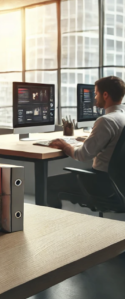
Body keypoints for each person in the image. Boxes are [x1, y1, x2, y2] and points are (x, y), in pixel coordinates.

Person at [47, 76, 125, 207]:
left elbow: (82, 155)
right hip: (117, 181)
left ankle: (54, 225)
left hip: (101, 183)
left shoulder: (106, 121)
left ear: (105, 95)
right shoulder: (121, 117)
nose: (95, 98)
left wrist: (64, 145)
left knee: (47, 184)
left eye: (96, 94)